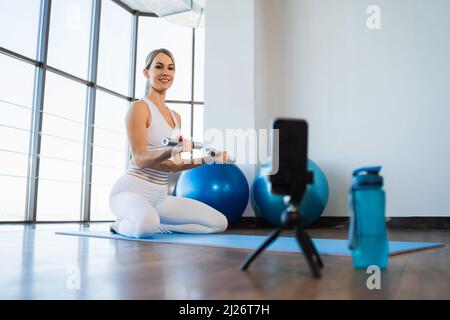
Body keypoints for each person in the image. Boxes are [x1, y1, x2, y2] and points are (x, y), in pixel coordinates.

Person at [109, 48, 229, 238]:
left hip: (159, 198)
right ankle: (120, 225)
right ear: (146, 72)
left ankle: (158, 224)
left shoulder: (176, 117)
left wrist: (209, 158)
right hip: (130, 192)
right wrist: (171, 150)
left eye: (170, 68)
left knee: (219, 223)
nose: (166, 72)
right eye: (159, 67)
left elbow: (174, 166)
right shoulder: (139, 108)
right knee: (145, 225)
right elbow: (139, 159)